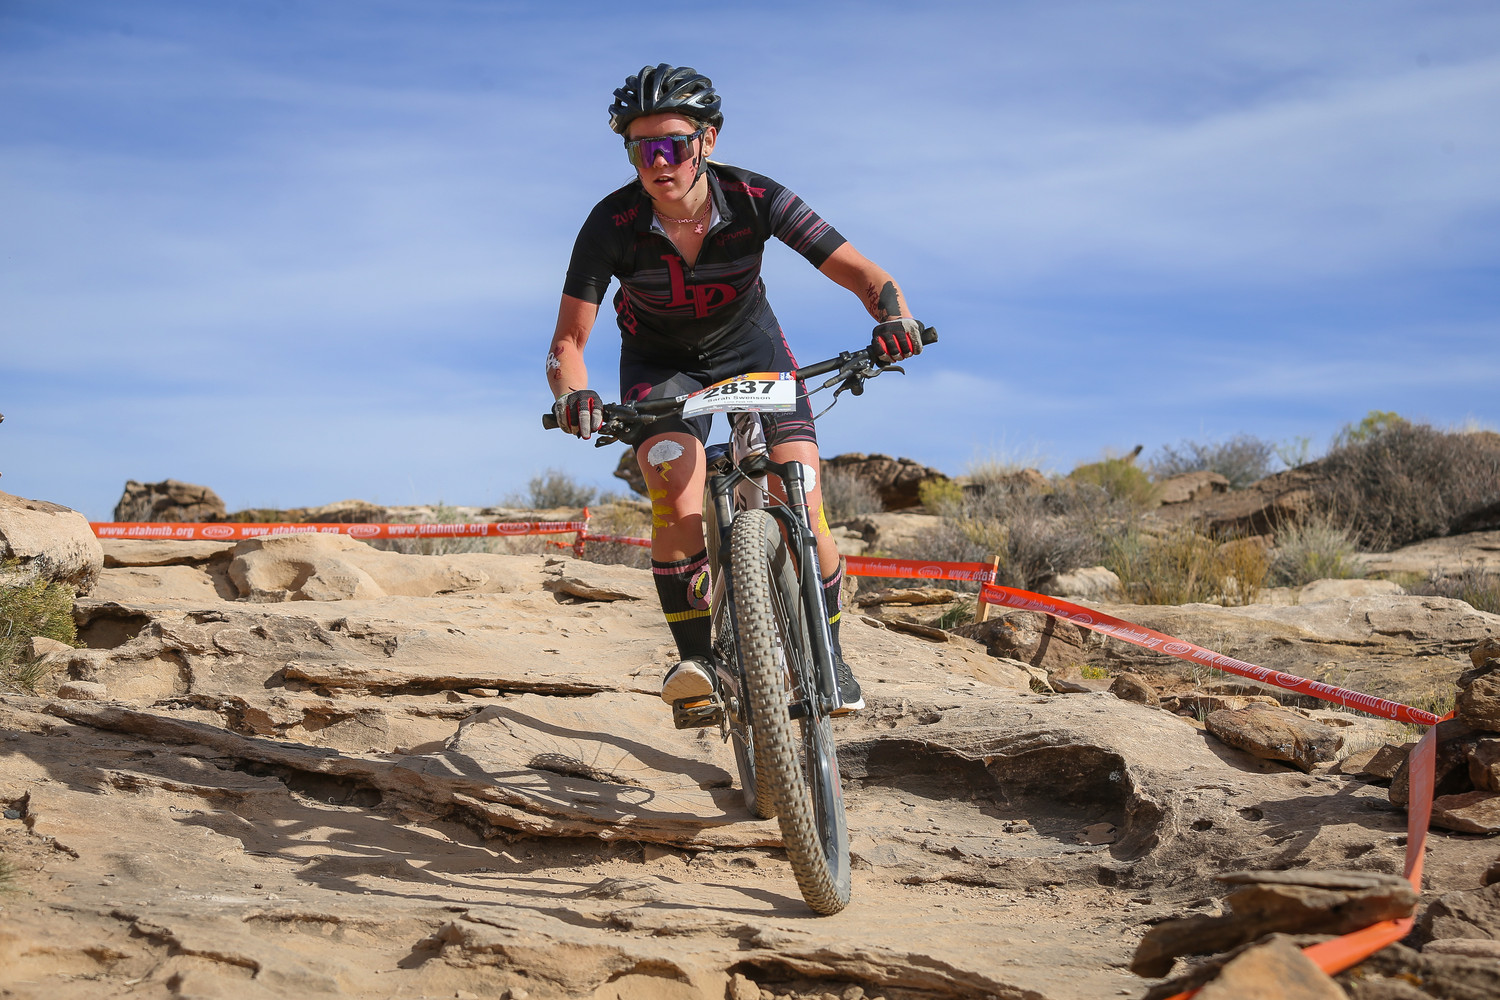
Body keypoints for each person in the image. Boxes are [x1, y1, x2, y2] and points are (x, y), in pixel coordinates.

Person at [545, 64, 925, 718]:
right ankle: (698, 664)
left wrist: (895, 320)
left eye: (673, 146)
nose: (658, 163)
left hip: (754, 352)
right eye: (641, 149)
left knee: (803, 496)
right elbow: (568, 343)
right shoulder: (611, 222)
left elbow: (865, 275)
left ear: (708, 140)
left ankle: (829, 656)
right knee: (674, 495)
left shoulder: (756, 197)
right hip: (660, 365)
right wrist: (574, 395)